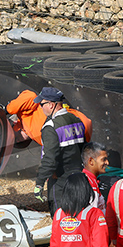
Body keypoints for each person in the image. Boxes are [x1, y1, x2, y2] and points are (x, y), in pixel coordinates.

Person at [33, 87, 86, 215]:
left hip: (60, 180)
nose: (40, 107)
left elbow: (49, 160)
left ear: (51, 105)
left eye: (42, 104)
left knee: (59, 218)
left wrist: (39, 184)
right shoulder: (77, 120)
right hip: (79, 177)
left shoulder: (51, 127)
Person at [6, 89, 92, 145]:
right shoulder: (38, 137)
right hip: (77, 132)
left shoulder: (23, 115)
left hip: (76, 123)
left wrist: (7, 110)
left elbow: (30, 96)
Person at [82, 141, 109, 212]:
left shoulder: (91, 180)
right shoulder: (89, 184)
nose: (107, 163)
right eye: (103, 159)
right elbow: (92, 216)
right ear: (91, 161)